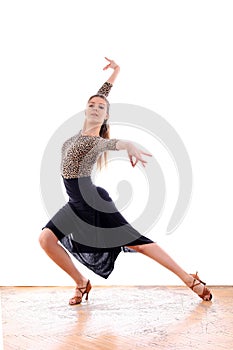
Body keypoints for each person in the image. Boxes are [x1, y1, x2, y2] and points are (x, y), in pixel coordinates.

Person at [39, 57, 212, 305]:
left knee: (138, 243)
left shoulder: (96, 142)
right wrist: (116, 72)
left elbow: (114, 143)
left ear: (106, 116)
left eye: (101, 107)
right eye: (91, 105)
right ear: (85, 109)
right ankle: (81, 282)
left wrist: (128, 145)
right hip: (75, 203)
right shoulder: (78, 135)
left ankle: (189, 279)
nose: (95, 108)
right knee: (46, 239)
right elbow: (101, 94)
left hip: (94, 201)